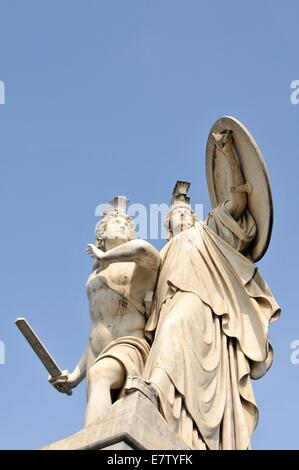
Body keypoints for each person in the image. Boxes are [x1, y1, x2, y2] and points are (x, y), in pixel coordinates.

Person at [142, 132, 280, 450]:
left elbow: (238, 198)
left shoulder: (208, 230)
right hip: (168, 313)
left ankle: (151, 390)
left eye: (185, 213)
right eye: (174, 216)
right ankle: (169, 420)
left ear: (193, 217)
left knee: (174, 329)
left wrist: (227, 151)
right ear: (167, 227)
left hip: (202, 309)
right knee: (168, 337)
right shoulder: (161, 256)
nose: (181, 217)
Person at [49, 197, 160, 426]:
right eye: (116, 221)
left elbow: (145, 250)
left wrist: (105, 256)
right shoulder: (94, 276)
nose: (123, 225)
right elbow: (95, 329)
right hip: (96, 355)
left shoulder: (135, 264)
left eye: (126, 224)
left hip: (129, 345)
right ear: (101, 233)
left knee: (101, 375)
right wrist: (74, 377)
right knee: (101, 396)